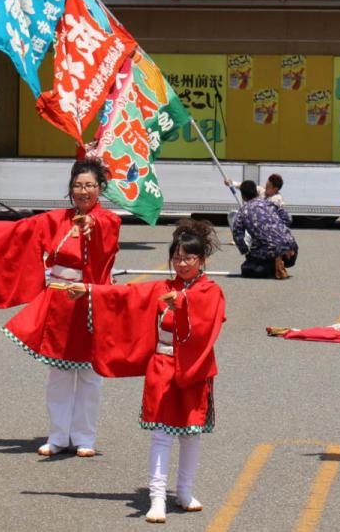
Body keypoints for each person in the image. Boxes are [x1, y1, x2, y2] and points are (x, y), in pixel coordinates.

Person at [77, 219, 226, 523]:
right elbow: (128, 295)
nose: (182, 264)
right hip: (163, 364)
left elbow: (209, 315)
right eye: (177, 258)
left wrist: (183, 300)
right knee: (161, 435)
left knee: (190, 434)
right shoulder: (162, 287)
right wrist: (91, 289)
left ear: (202, 260)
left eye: (189, 258)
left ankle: (184, 491)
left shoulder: (211, 290)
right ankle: (157, 497)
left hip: (194, 369)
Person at [0, 158, 121, 457]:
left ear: (100, 189)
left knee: (90, 375)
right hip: (59, 304)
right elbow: (21, 231)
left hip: (89, 299)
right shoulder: (57, 220)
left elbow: (105, 230)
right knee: (60, 373)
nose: (84, 191)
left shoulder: (108, 220)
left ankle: (85, 437)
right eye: (78, 185)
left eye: (90, 185)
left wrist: (90, 223)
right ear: (71, 188)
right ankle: (57, 434)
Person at [230, 180, 296, 279]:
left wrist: (245, 251)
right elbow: (288, 219)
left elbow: (237, 234)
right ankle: (280, 257)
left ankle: (273, 266)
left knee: (247, 269)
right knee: (275, 247)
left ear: (243, 196)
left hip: (269, 252)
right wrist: (278, 230)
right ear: (257, 192)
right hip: (292, 249)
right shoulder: (271, 203)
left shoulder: (242, 212)